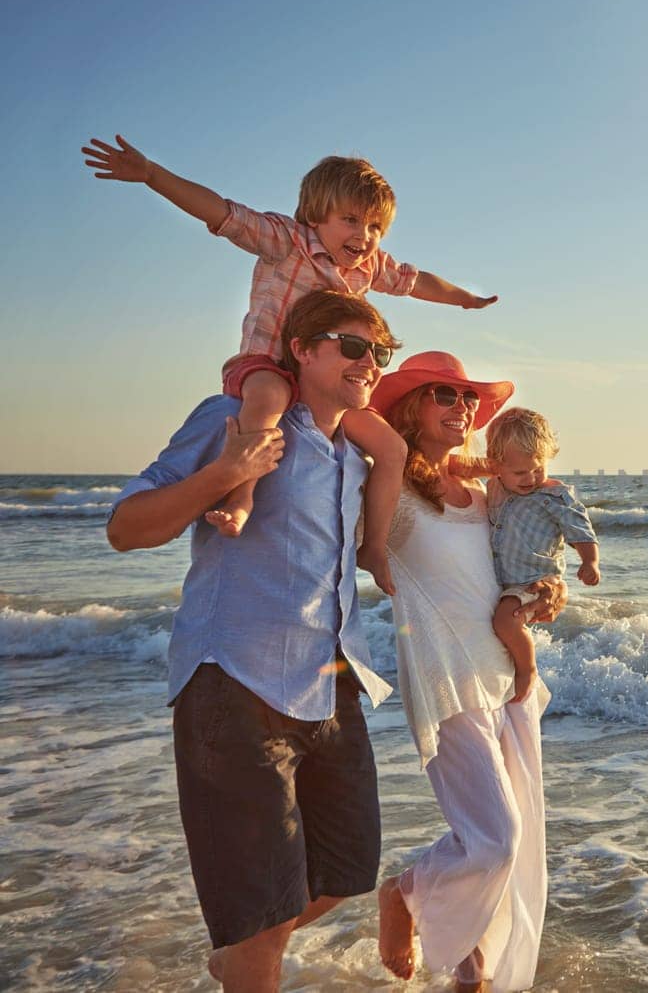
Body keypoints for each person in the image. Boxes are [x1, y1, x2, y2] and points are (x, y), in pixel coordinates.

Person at [106, 290, 400, 993]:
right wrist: (226, 474)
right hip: (233, 685)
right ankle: (247, 956)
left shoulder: (352, 455)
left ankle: (238, 956)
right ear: (302, 347)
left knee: (349, 869)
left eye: (379, 353)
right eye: (351, 346)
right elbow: (125, 525)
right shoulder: (234, 420)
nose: (368, 362)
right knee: (259, 916)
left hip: (330, 684)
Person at [83, 134, 498, 595]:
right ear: (316, 214)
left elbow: (417, 281)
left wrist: (464, 298)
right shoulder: (288, 241)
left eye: (375, 227)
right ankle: (242, 496)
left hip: (323, 391)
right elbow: (221, 211)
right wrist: (152, 175)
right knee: (267, 400)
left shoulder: (369, 267)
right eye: (351, 220)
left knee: (392, 449)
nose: (364, 237)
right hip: (266, 366)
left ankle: (374, 547)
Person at [366, 351, 566, 992]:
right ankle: (403, 893)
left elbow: (516, 561)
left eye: (468, 397)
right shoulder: (393, 490)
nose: (463, 407)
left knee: (510, 839)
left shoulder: (485, 495)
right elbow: (348, 544)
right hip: (445, 678)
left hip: (503, 678)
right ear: (410, 409)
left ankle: (470, 973)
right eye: (443, 395)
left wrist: (547, 589)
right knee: (494, 840)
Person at [483, 408, 602, 660]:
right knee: (502, 625)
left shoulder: (553, 497)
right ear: (496, 466)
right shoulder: (493, 487)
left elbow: (580, 529)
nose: (530, 478)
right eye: (519, 472)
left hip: (534, 580)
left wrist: (590, 561)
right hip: (502, 584)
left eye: (538, 469)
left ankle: (527, 668)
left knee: (506, 622)